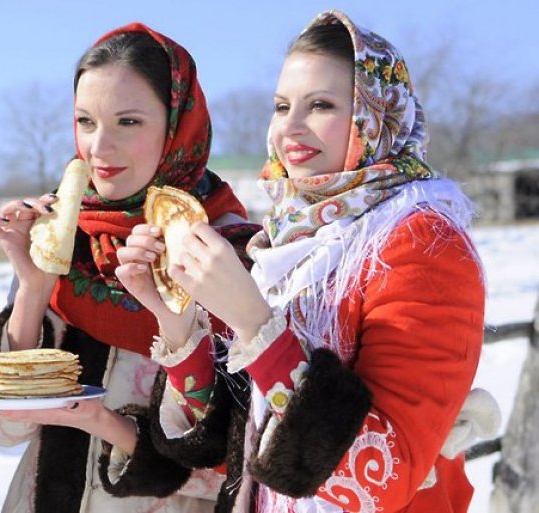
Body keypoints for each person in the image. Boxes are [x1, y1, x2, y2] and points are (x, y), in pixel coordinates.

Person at [113, 10, 493, 513]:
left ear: (374, 116)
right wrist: (176, 322)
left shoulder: (423, 242)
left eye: (321, 105)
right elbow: (240, 448)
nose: (289, 127)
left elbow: (384, 476)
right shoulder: (286, 239)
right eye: (281, 106)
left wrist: (256, 324)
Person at [0, 23, 259, 513]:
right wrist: (32, 289)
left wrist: (106, 425)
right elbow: (3, 428)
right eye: (85, 121)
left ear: (177, 125)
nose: (99, 147)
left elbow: (233, 466)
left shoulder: (224, 252)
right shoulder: (58, 233)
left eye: (128, 122)